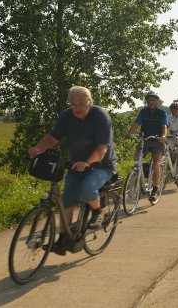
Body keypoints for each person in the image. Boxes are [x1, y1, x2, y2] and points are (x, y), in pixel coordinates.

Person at [28, 86, 117, 255]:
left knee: (87, 187)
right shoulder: (67, 116)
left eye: (81, 104)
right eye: (73, 104)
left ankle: (98, 212)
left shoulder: (100, 116)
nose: (77, 108)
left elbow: (102, 148)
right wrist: (38, 149)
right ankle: (62, 241)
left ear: (90, 102)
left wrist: (87, 162)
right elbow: (52, 138)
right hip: (77, 166)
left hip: (102, 165)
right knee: (66, 201)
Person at [126, 91, 168, 203]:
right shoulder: (143, 112)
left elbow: (164, 126)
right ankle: (139, 181)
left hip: (158, 142)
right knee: (136, 159)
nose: (151, 102)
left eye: (153, 100)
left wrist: (163, 135)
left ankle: (155, 189)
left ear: (156, 101)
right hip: (145, 141)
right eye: (149, 100)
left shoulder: (162, 113)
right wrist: (129, 134)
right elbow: (136, 124)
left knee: (156, 164)